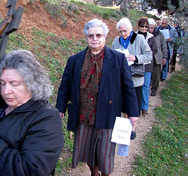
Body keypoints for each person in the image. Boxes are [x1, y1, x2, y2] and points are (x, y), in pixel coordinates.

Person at [56, 19, 139, 176]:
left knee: (105, 153)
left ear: (105, 37)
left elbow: (128, 88)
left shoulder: (118, 59)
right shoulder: (74, 60)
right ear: (86, 37)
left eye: (98, 35)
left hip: (108, 115)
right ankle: (94, 173)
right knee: (87, 150)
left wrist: (133, 113)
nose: (95, 38)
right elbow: (64, 86)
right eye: (91, 35)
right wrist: (60, 108)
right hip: (83, 114)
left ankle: (105, 174)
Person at [0, 50, 64, 176]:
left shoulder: (46, 119)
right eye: (2, 83)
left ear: (32, 84)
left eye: (14, 84)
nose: (6, 91)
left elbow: (32, 170)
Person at [112, 18, 152, 115]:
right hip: (121, 79)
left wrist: (136, 58)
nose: (123, 34)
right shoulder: (116, 41)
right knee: (123, 108)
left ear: (130, 29)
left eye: (125, 31)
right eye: (120, 31)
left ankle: (133, 128)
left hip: (135, 79)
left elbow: (149, 56)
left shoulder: (139, 39)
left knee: (134, 110)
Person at [136, 17, 157, 114]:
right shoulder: (133, 36)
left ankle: (144, 107)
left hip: (147, 65)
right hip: (136, 64)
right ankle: (136, 106)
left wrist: (146, 55)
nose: (144, 28)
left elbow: (154, 49)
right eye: (142, 26)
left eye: (146, 26)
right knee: (136, 85)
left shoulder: (151, 37)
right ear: (138, 26)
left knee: (145, 85)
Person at [148, 19, 168, 97]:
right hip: (147, 57)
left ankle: (154, 89)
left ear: (155, 26)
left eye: (151, 28)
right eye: (148, 27)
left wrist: (165, 57)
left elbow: (164, 46)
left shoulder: (160, 34)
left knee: (156, 74)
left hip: (157, 57)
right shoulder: (144, 34)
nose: (150, 29)